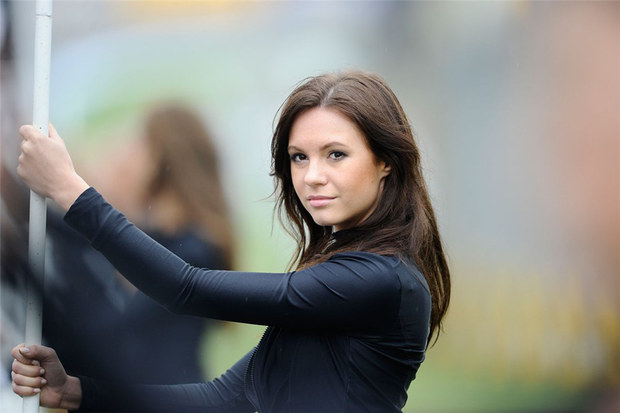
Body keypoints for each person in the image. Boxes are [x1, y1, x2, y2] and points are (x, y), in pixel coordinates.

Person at [11, 70, 451, 412]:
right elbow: (222, 400)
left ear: (385, 162)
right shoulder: (340, 277)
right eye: (299, 157)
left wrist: (70, 191)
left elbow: (186, 288)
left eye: (335, 154)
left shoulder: (380, 280)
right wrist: (75, 392)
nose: (312, 175)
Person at [42, 104, 235, 385]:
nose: (124, 157)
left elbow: (111, 333)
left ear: (162, 156)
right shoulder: (160, 239)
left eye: (138, 144)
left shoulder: (193, 252)